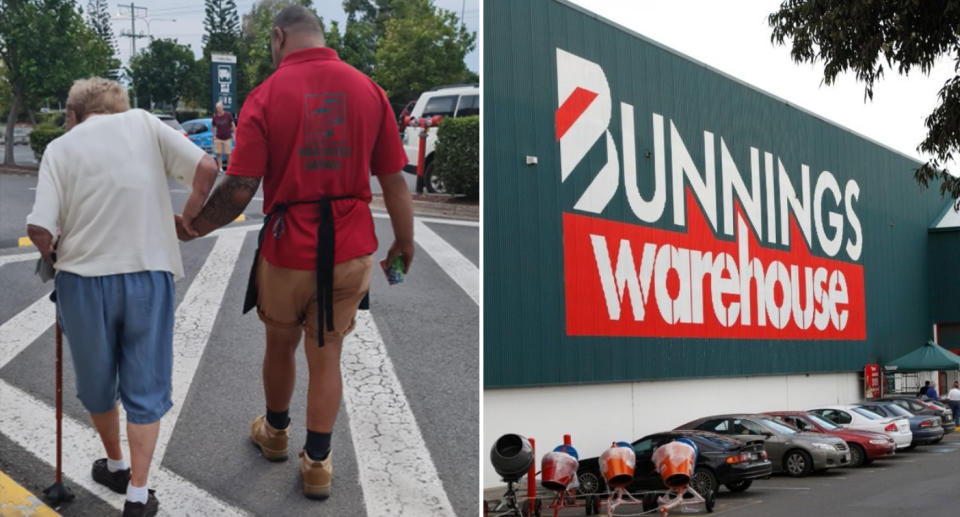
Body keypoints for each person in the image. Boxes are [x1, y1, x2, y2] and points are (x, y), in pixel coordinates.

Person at [178, 6, 414, 500]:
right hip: (352, 250)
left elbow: (241, 186)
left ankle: (276, 434)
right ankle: (319, 465)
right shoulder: (369, 91)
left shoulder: (266, 96)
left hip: (288, 248)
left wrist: (198, 226)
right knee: (327, 354)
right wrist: (404, 241)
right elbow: (394, 179)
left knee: (279, 344)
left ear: (279, 36)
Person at [26, 77, 218, 516]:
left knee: (97, 382)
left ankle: (114, 463)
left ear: (73, 114)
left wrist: (50, 252)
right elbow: (207, 168)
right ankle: (137, 494)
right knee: (145, 385)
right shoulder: (144, 124)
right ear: (117, 106)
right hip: (147, 274)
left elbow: (40, 228)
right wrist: (187, 219)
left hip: (82, 281)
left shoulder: (62, 147)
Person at [211, 101, 235, 171]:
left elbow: (233, 125)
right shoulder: (215, 117)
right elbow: (212, 126)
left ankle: (229, 168)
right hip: (218, 138)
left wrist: (234, 134)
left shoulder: (228, 115)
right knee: (218, 154)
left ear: (222, 107)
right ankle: (220, 168)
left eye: (219, 107)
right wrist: (214, 135)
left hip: (227, 137)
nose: (218, 109)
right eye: (217, 108)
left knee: (228, 154)